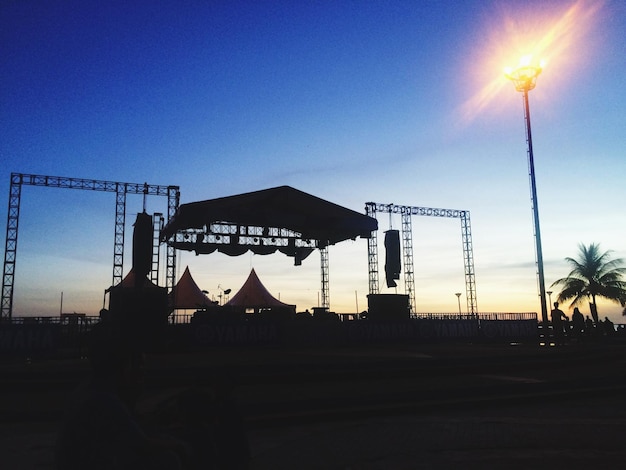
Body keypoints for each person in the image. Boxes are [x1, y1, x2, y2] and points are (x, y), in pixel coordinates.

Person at [55, 323, 188, 470]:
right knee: (169, 459)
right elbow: (142, 444)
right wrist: (179, 446)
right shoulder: (104, 400)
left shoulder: (87, 390)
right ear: (122, 367)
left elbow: (126, 430)